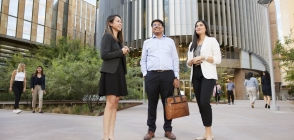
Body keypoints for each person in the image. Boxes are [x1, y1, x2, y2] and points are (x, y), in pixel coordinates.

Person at [140, 19, 179, 140]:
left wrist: (176, 76)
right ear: (152, 28)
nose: (157, 27)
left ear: (163, 28)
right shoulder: (147, 42)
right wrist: (145, 74)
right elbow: (143, 60)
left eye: (159, 25)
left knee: (168, 104)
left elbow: (175, 59)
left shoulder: (170, 42)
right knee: (152, 104)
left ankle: (168, 130)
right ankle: (151, 130)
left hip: (168, 75)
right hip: (152, 75)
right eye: (154, 25)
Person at [186, 20, 221, 140]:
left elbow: (218, 59)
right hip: (195, 74)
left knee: (205, 102)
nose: (198, 27)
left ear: (206, 28)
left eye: (201, 25)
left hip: (208, 75)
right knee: (200, 104)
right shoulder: (192, 44)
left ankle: (209, 133)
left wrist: (203, 57)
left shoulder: (212, 41)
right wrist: (190, 62)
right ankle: (206, 133)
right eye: (196, 26)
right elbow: (187, 62)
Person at [98, 15, 129, 140]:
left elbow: (116, 56)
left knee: (115, 103)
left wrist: (123, 50)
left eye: (121, 21)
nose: (120, 23)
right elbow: (104, 55)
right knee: (110, 103)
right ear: (110, 23)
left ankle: (111, 135)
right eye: (118, 21)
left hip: (119, 73)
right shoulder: (107, 36)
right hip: (110, 73)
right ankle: (106, 137)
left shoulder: (118, 41)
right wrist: (121, 52)